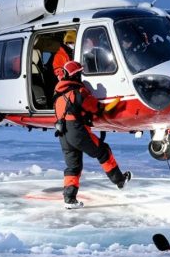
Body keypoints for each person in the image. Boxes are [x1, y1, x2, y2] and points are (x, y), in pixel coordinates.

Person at [53, 61, 130, 209]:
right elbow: (96, 108)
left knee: (73, 166)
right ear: (75, 75)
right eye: (80, 73)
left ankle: (69, 199)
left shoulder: (57, 94)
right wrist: (116, 102)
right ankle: (119, 180)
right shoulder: (79, 92)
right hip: (78, 132)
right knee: (103, 151)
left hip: (62, 134)